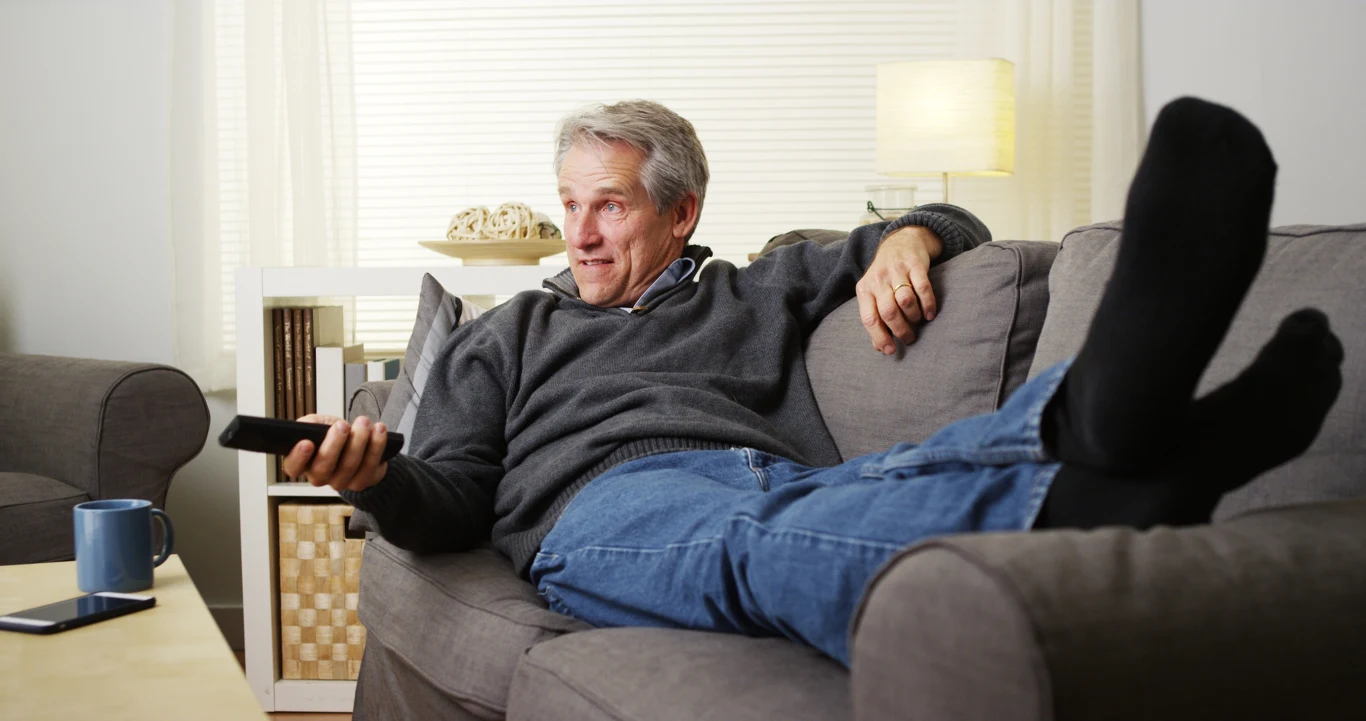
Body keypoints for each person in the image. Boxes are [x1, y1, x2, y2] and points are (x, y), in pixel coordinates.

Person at [283, 97, 1342, 667]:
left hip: (779, 473)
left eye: (606, 205)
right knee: (748, 544)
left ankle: (1107, 424)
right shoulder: (510, 332)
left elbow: (959, 228)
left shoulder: (761, 283)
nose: (580, 231)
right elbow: (453, 498)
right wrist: (375, 478)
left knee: (908, 463)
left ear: (680, 210)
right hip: (603, 508)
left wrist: (914, 236)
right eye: (568, 205)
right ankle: (1120, 452)